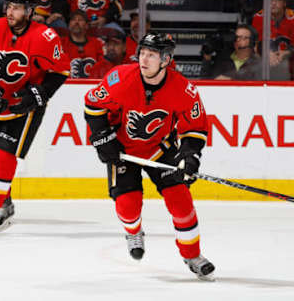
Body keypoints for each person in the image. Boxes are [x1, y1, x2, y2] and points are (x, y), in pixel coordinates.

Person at [84, 32, 215, 280]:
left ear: (166, 60)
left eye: (152, 55)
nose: (144, 59)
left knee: (181, 202)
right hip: (123, 150)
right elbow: (93, 105)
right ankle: (134, 231)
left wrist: (189, 156)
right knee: (128, 206)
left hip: (161, 149)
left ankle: (193, 255)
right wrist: (103, 138)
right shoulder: (121, 77)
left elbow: (195, 127)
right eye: (142, 52)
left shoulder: (183, 89)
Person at [0, 0, 70, 236]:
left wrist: (37, 95)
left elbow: (59, 72)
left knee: (6, 152)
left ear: (29, 12)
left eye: (17, 8)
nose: (10, 12)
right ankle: (4, 203)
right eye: (9, 6)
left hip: (24, 105)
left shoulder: (45, 36)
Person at [252, 0, 294, 80]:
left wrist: (286, 53)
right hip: (265, 56)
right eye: (270, 0)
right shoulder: (259, 17)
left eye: (277, 0)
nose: (273, 3)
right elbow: (255, 43)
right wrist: (266, 53)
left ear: (284, 3)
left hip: (288, 56)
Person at [60, 9, 104, 78]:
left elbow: (102, 68)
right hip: (67, 85)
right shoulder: (60, 43)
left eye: (80, 20)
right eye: (73, 19)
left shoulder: (97, 44)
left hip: (91, 85)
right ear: (69, 24)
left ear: (87, 25)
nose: (76, 22)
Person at [56, 0, 124, 29]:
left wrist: (105, 18)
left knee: (115, 30)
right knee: (58, 26)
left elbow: (117, 4)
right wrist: (72, 20)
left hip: (103, 24)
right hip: (76, 24)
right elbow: (61, 0)